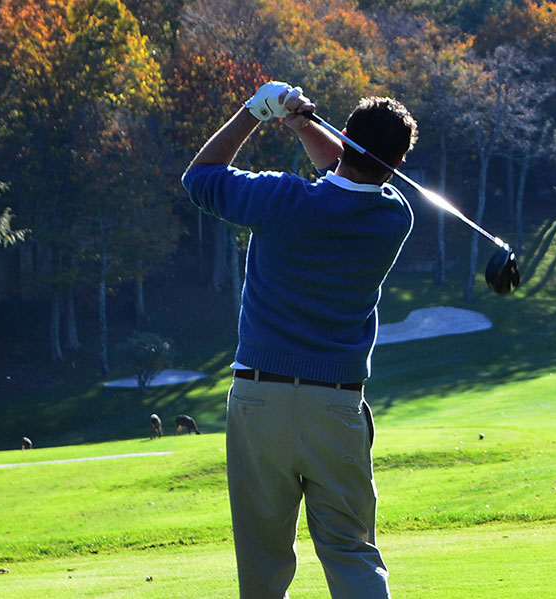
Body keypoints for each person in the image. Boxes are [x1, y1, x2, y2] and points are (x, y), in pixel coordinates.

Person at [183, 81, 416, 599]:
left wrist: (254, 113)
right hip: (336, 407)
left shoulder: (280, 197)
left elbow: (199, 178)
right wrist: (302, 124)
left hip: (259, 398)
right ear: (396, 163)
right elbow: (353, 176)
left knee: (263, 561)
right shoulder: (394, 217)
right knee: (351, 552)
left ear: (345, 135)